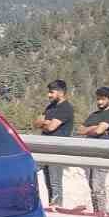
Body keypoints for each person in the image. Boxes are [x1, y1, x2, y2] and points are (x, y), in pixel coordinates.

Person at [78, 86, 109, 216]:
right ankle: (97, 211)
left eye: (102, 99)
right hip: (90, 153)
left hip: (103, 154)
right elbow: (80, 130)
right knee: (92, 185)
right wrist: (96, 127)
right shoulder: (94, 114)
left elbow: (99, 131)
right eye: (98, 99)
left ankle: (102, 212)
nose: (100, 102)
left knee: (98, 186)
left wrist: (92, 129)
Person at [33, 79, 74, 208]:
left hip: (57, 149)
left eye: (51, 92)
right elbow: (36, 123)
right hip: (45, 148)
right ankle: (51, 204)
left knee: (55, 180)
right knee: (41, 176)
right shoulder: (50, 107)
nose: (49, 95)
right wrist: (46, 123)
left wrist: (45, 123)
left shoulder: (66, 108)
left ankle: (57, 205)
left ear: (61, 92)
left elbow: (51, 127)